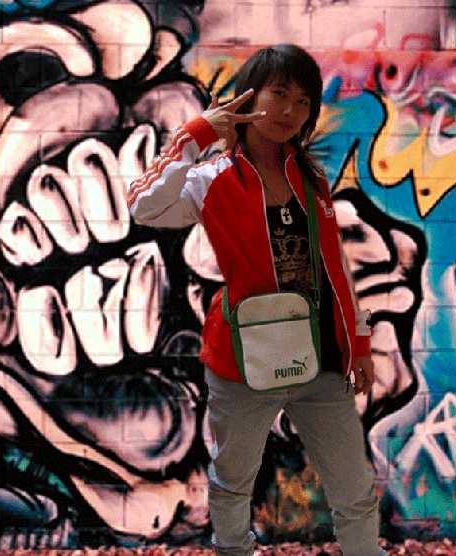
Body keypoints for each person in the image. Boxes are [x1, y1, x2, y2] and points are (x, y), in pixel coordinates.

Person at [128, 44, 388, 556]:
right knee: (232, 483)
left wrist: (358, 342)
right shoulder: (212, 178)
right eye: (280, 94)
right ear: (249, 97)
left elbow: (333, 267)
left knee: (354, 488)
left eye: (304, 101)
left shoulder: (311, 178)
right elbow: (144, 206)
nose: (291, 110)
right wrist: (198, 134)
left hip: (321, 357)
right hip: (242, 359)